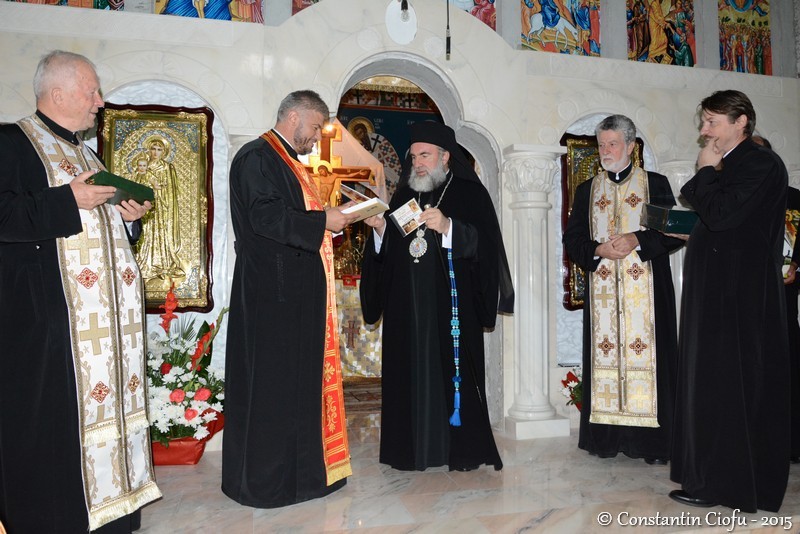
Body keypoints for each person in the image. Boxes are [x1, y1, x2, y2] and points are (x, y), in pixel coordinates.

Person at [0, 50, 160, 533]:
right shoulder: (11, 142)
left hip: (107, 330)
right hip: (51, 325)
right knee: (54, 427)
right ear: (57, 93)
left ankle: (113, 514)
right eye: (91, 91)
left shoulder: (88, 154)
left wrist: (127, 221)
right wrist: (66, 198)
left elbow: (98, 230)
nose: (99, 100)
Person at [222, 90, 358, 508]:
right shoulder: (257, 157)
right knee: (272, 389)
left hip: (293, 296)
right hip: (272, 295)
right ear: (294, 117)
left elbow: (290, 218)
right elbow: (266, 218)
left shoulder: (287, 161)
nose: (317, 138)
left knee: (297, 386)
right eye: (315, 128)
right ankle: (268, 483)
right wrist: (324, 220)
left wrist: (327, 221)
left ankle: (303, 477)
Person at [360, 121, 514, 472]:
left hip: (451, 308)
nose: (417, 163)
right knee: (409, 377)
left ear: (445, 157)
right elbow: (392, 254)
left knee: (451, 377)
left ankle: (458, 451)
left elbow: (486, 249)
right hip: (407, 310)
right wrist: (381, 230)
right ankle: (409, 451)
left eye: (425, 156)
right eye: (414, 156)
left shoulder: (469, 194)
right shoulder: (404, 196)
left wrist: (449, 228)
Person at [670, 90, 789, 512]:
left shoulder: (760, 163)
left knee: (727, 388)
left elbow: (721, 215)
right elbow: (721, 220)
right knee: (710, 385)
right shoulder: (734, 164)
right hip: (718, 292)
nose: (705, 131)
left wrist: (704, 171)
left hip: (738, 297)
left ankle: (728, 487)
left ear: (741, 122)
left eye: (712, 122)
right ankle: (707, 477)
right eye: (704, 122)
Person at [563, 114, 684, 465]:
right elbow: (573, 239)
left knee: (652, 360)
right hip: (604, 295)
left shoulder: (654, 183)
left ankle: (653, 445)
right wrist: (598, 249)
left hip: (648, 294)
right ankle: (606, 440)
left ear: (631, 146)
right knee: (606, 358)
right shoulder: (588, 190)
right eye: (601, 144)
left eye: (613, 144)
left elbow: (674, 233)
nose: (606, 150)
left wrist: (637, 239)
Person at [753, 134, 800, 465]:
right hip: (742, 304)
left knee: (786, 370)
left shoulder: (794, 198)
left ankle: (791, 443)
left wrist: (796, 266)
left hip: (782, 300)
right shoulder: (733, 199)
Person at [135, 135, 184, 281]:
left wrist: (159, 192)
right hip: (146, 205)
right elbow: (137, 183)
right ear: (149, 150)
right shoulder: (143, 166)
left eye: (159, 149)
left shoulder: (167, 167)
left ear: (164, 152)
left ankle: (163, 265)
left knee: (161, 232)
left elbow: (170, 190)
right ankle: (147, 264)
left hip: (162, 206)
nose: (156, 152)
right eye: (153, 149)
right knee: (147, 232)